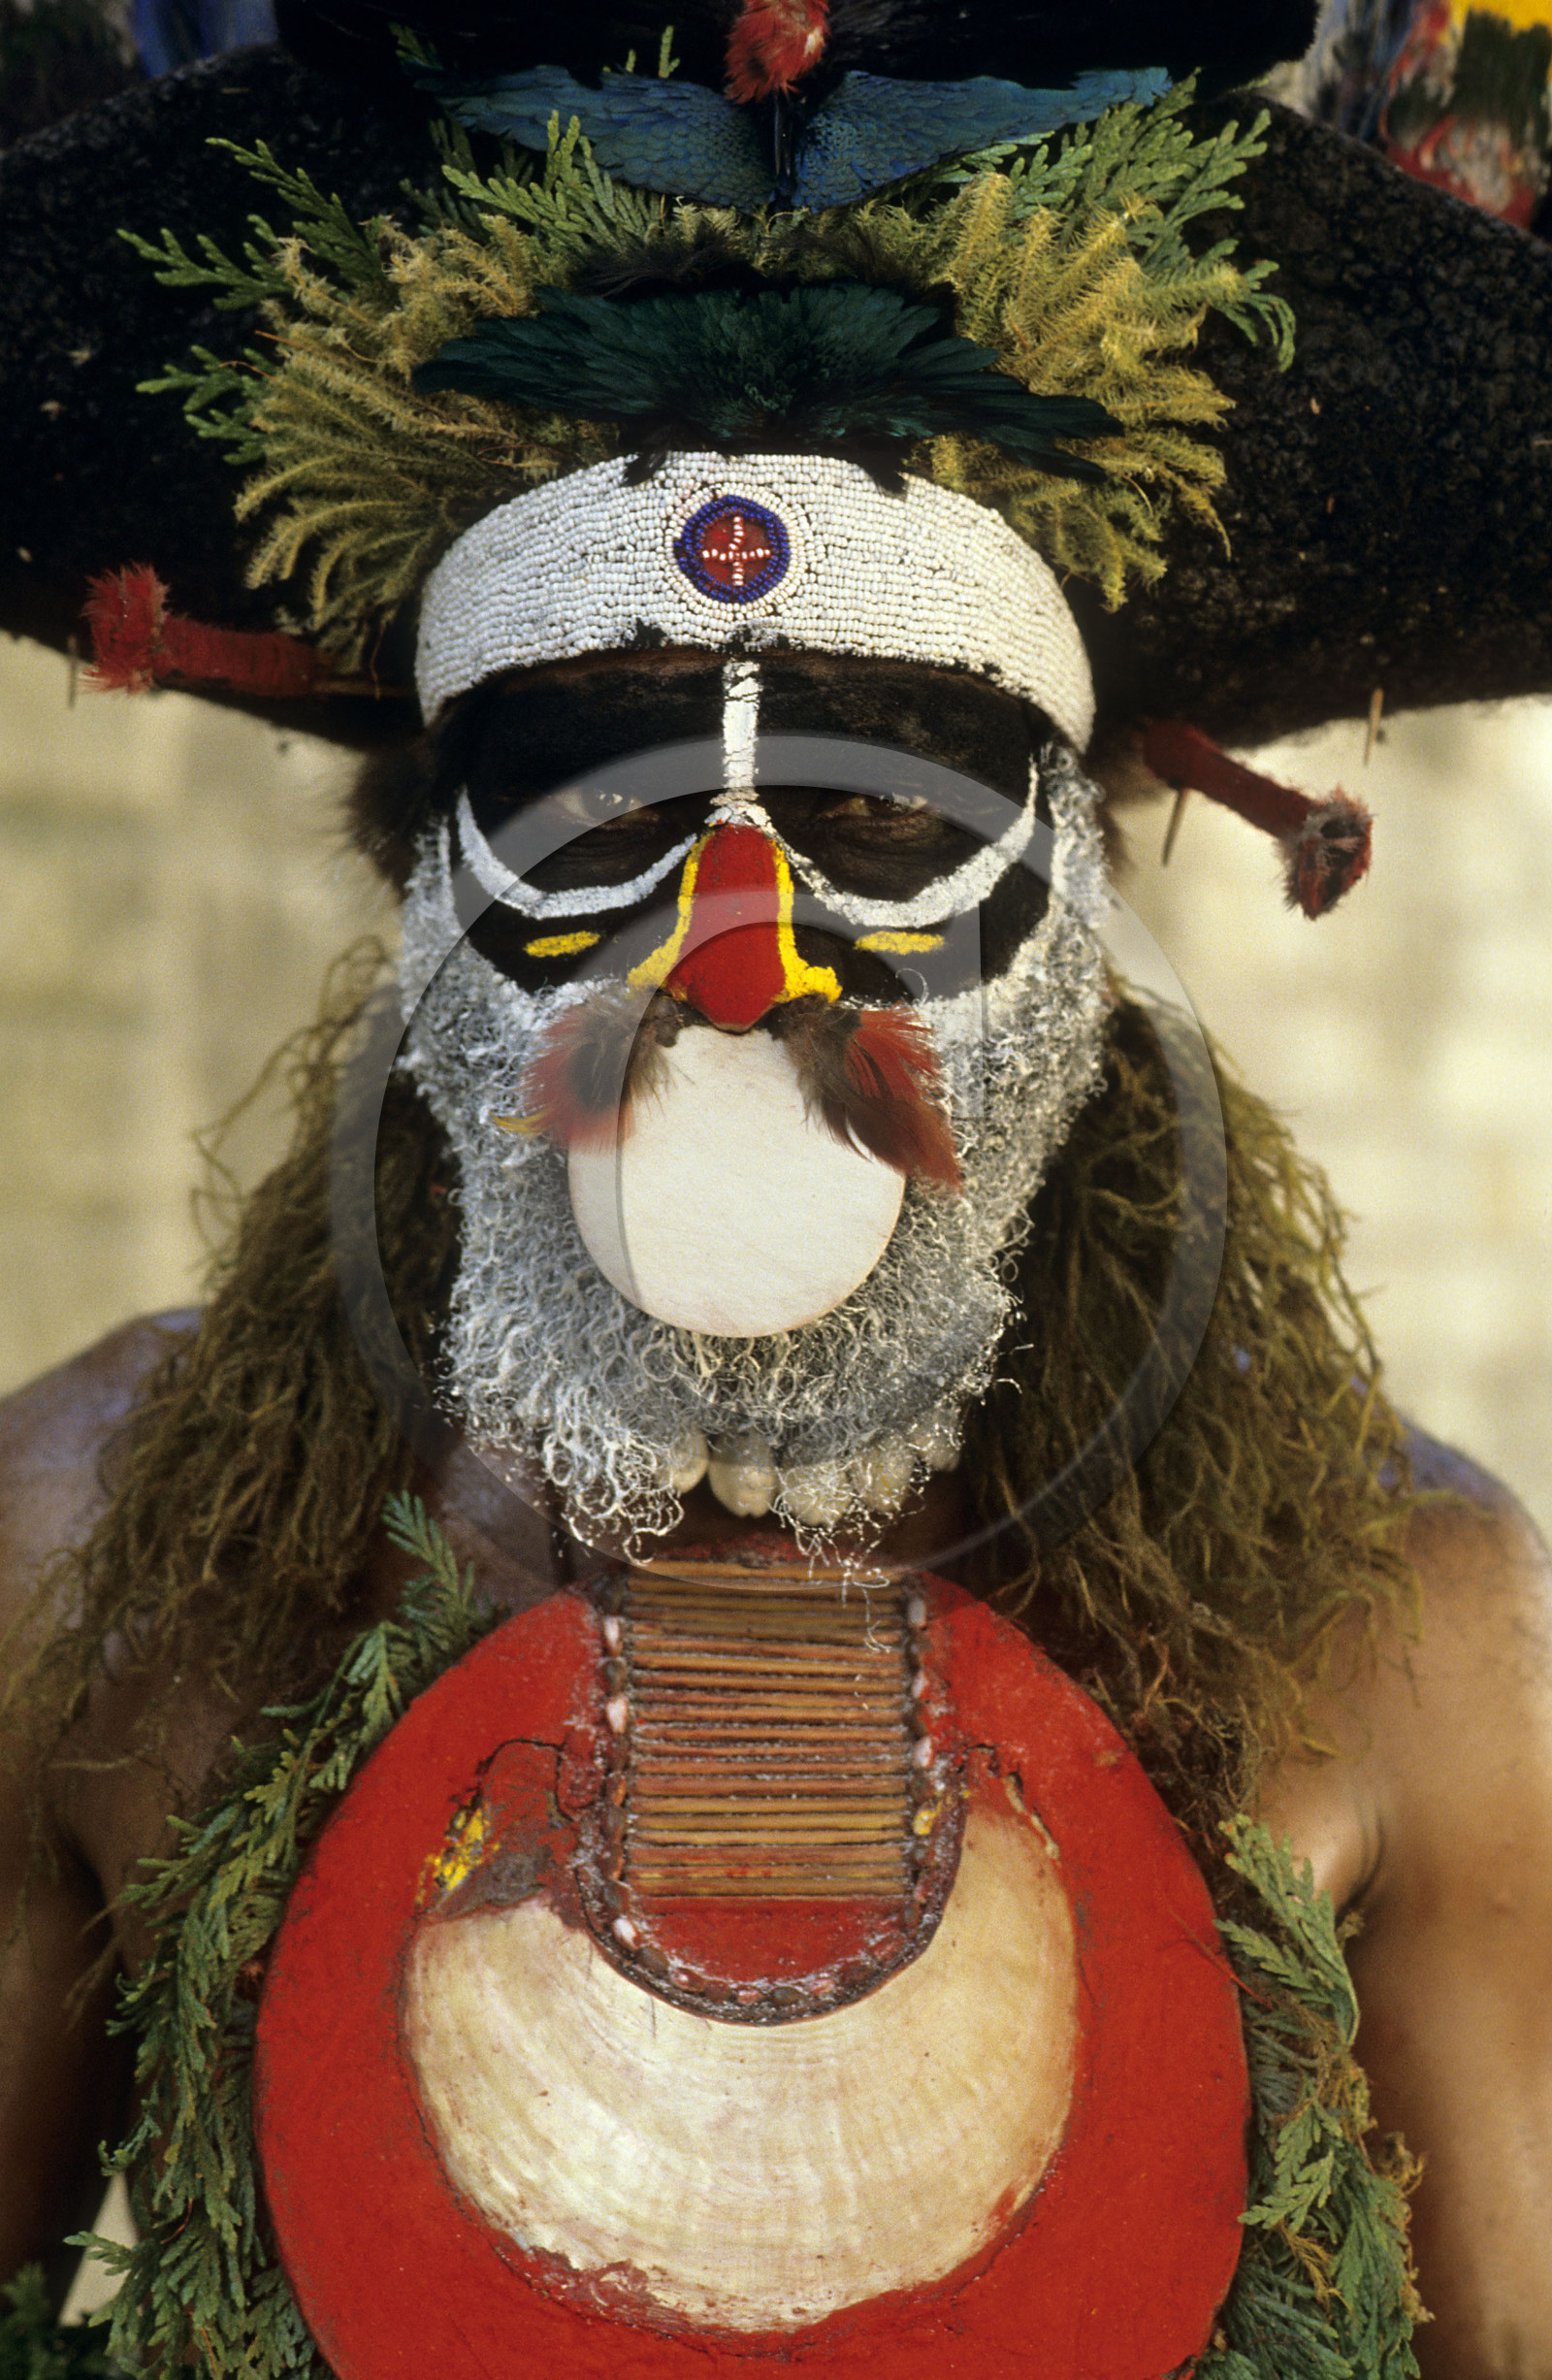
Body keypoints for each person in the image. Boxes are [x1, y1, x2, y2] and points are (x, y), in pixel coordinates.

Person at [3, 6, 1551, 2372]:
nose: (740, 958)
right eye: (601, 821)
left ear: (1078, 930)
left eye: (876, 817)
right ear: (424, 913)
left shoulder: (1405, 1638)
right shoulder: (84, 1560)